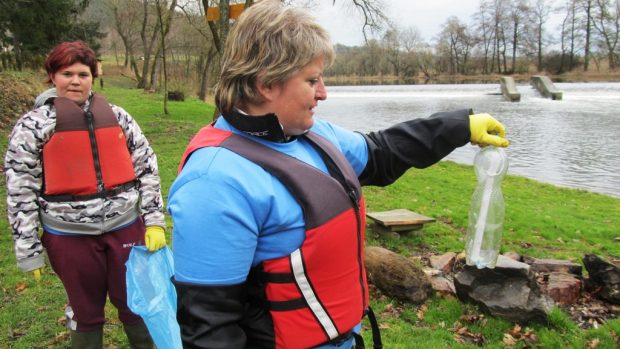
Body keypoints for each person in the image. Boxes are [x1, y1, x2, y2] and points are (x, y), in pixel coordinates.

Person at [167, 1, 509, 348]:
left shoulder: (313, 134)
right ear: (266, 84)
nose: (324, 92)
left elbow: (381, 154)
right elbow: (209, 329)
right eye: (312, 80)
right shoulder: (214, 183)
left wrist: (457, 127)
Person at [4, 41, 167, 348]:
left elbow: (147, 167)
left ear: (93, 76)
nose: (75, 80)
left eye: (83, 73)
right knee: (85, 311)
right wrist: (28, 249)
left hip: (126, 227)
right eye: (67, 73)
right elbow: (19, 189)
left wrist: (155, 221)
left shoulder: (119, 117)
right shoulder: (33, 126)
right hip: (69, 235)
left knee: (136, 302)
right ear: (52, 76)